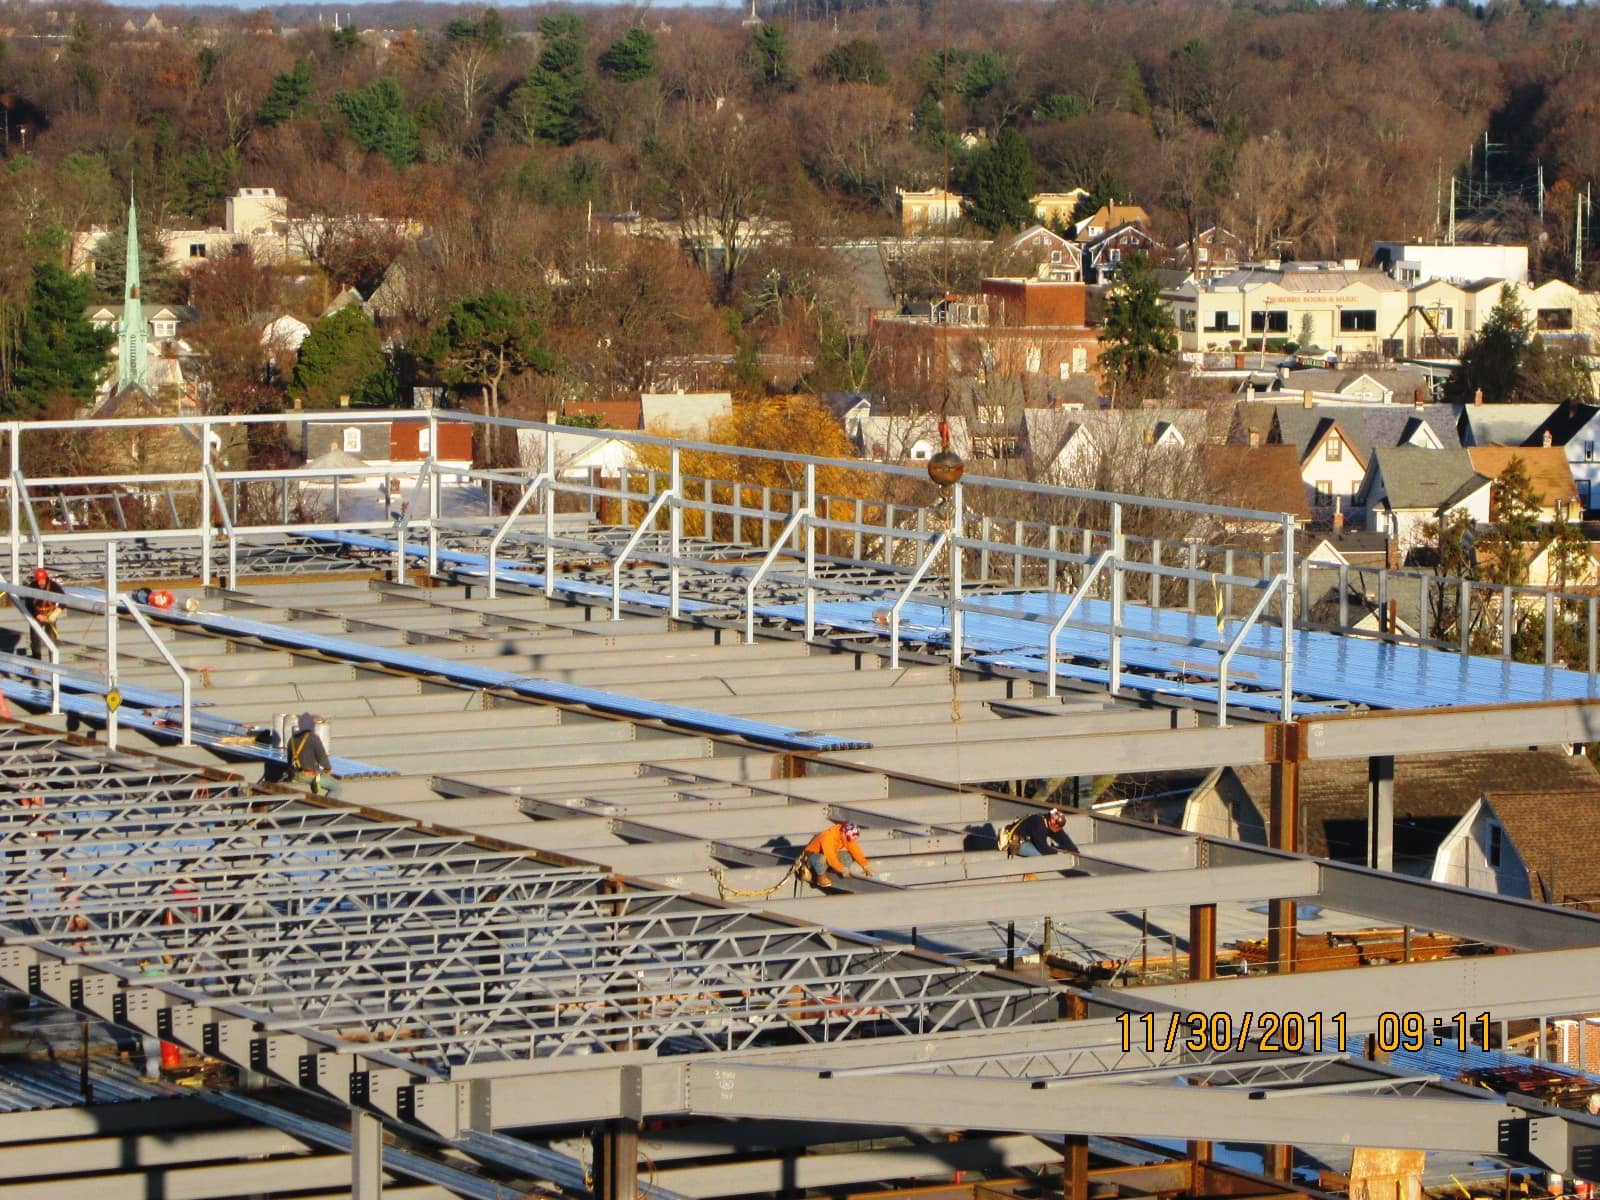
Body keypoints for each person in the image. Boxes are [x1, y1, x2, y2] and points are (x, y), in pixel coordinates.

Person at [800, 821, 874, 889]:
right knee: (821, 859)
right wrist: (842, 869)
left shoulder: (847, 836)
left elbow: (855, 850)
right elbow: (830, 857)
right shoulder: (828, 837)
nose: (849, 841)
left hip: (827, 857)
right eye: (848, 839)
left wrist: (865, 865)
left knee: (847, 857)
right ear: (843, 832)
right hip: (812, 857)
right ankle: (819, 876)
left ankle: (831, 871)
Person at [287, 714, 342, 799]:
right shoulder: (313, 738)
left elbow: (289, 760)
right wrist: (328, 769)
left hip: (296, 775)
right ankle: (326, 808)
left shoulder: (292, 739)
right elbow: (322, 758)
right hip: (310, 776)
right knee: (336, 788)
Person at [1002, 808, 1079, 858]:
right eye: (1056, 826)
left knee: (1051, 851)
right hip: (1016, 843)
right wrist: (1057, 852)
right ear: (1052, 821)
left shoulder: (1049, 823)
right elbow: (1042, 848)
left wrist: (1073, 849)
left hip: (1027, 841)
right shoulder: (1039, 823)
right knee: (1041, 855)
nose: (1057, 829)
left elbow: (1063, 838)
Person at [25, 566, 64, 659]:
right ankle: (37, 663)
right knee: (35, 640)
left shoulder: (54, 586)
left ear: (45, 578)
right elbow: (28, 603)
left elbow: (64, 600)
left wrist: (55, 613)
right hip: (37, 616)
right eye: (38, 580)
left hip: (50, 615)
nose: (40, 582)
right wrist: (37, 615)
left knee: (52, 640)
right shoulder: (32, 586)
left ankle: (53, 662)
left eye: (42, 580)